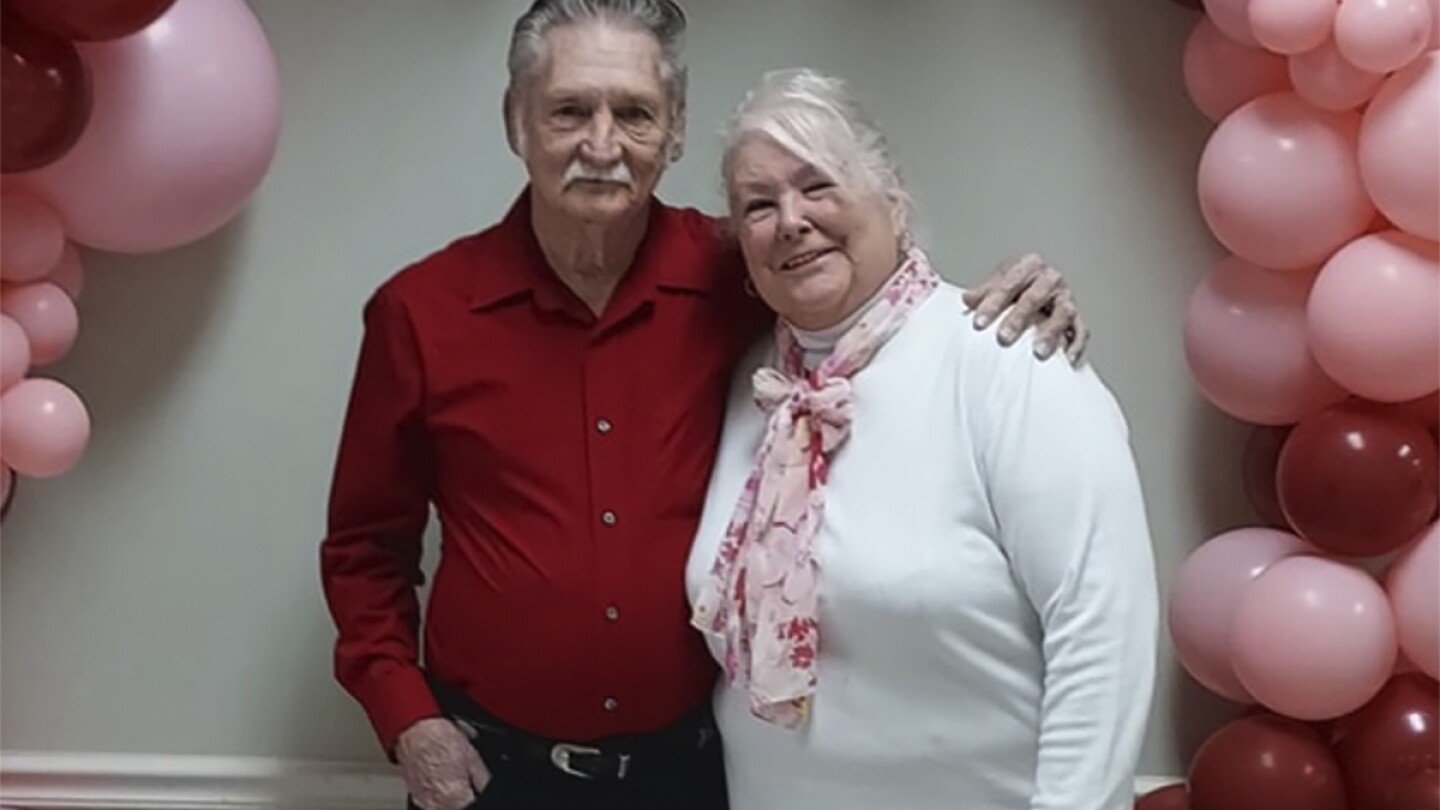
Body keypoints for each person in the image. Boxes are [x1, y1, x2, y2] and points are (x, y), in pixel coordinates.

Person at [320, 3, 1087, 809]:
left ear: (676, 130)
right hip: (489, 773)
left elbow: (876, 308)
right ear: (517, 121)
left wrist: (1007, 301)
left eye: (636, 114)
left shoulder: (744, 275)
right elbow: (364, 550)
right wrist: (407, 719)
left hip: (692, 774)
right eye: (571, 110)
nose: (603, 145)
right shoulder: (421, 313)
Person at [686, 68, 1158, 810]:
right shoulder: (750, 385)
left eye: (818, 185)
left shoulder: (1005, 360)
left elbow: (1102, 628)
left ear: (893, 196)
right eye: (758, 204)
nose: (790, 219)